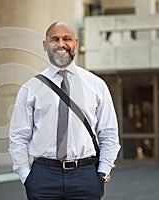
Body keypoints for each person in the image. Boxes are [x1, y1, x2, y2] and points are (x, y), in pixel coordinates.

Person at [9, 21, 120, 200]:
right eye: (54, 39)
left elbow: (108, 133)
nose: (61, 44)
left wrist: (103, 173)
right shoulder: (30, 88)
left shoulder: (96, 85)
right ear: (45, 45)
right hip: (43, 177)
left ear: (75, 43)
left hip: (85, 175)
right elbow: (18, 137)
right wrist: (26, 176)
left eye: (67, 38)